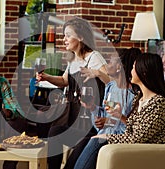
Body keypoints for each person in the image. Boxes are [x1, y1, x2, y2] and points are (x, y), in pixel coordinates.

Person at [74, 53, 165, 169]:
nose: (130, 71)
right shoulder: (140, 99)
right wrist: (120, 116)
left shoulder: (158, 103)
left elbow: (137, 138)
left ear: (144, 72)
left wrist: (106, 136)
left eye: (133, 67)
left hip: (148, 152)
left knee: (97, 141)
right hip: (135, 147)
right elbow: (133, 127)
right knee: (94, 141)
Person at [35, 17, 109, 169]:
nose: (64, 39)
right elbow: (64, 80)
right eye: (64, 35)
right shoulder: (74, 59)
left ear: (81, 37)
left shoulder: (94, 57)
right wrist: (46, 77)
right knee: (54, 130)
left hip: (89, 120)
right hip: (73, 117)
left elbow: (111, 81)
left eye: (68, 35)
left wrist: (96, 73)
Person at [51, 48, 140, 169]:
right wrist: (92, 108)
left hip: (111, 139)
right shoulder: (112, 87)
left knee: (84, 144)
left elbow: (127, 127)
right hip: (101, 134)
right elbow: (103, 119)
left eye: (110, 62)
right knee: (58, 133)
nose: (107, 64)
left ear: (119, 67)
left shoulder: (131, 95)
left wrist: (108, 121)